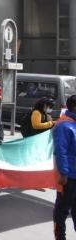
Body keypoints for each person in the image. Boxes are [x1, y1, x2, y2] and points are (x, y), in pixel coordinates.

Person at [53, 94, 76, 240]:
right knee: (62, 211)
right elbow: (60, 152)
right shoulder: (64, 125)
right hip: (68, 177)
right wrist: (64, 174)